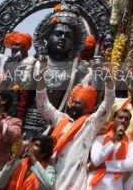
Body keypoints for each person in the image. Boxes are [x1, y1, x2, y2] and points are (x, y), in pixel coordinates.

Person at [33, 58, 117, 190]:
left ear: (87, 108)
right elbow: (42, 104)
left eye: (78, 103)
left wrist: (109, 81)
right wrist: (41, 79)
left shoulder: (92, 123)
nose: (73, 105)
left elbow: (108, 102)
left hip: (74, 181)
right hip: (51, 176)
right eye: (73, 102)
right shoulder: (61, 119)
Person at [88, 108, 133, 189]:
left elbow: (130, 164)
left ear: (129, 123)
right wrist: (113, 139)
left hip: (114, 186)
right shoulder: (100, 139)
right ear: (113, 120)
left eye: (126, 119)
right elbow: (96, 160)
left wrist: (106, 165)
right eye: (120, 117)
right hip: (94, 185)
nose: (123, 121)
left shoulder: (131, 144)